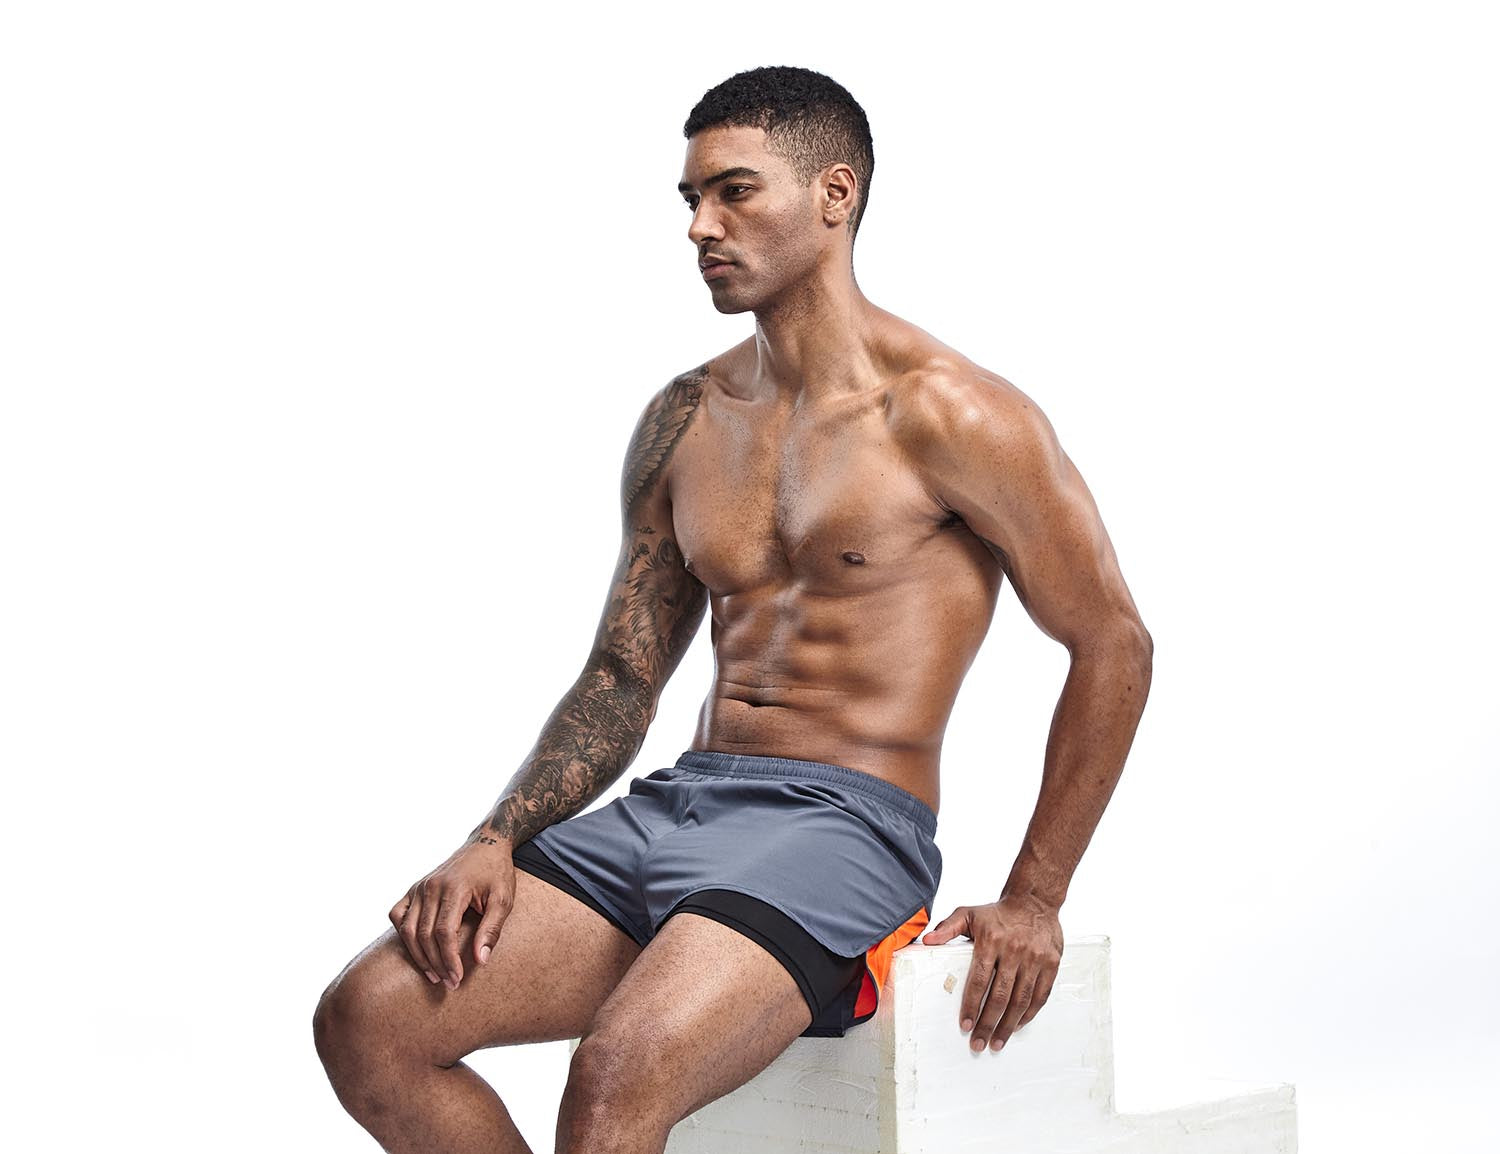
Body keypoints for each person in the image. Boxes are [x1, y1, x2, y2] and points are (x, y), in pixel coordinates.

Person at [313, 64, 1153, 1154]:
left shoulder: (952, 414)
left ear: (835, 194)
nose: (700, 225)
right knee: (369, 1020)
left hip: (844, 828)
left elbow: (1112, 640)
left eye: (734, 191)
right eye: (691, 199)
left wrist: (1035, 895)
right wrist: (495, 836)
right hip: (680, 807)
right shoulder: (688, 417)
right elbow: (623, 676)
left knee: (615, 1075)